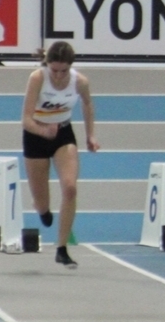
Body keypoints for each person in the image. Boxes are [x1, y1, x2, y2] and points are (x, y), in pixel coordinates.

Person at [21, 41, 99, 269]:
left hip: (63, 135)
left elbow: (87, 104)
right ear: (47, 64)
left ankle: (62, 249)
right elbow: (25, 119)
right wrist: (43, 131)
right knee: (42, 203)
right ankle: (42, 209)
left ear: (70, 67)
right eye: (54, 70)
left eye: (63, 71)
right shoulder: (38, 78)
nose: (57, 75)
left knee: (70, 187)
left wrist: (90, 135)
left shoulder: (80, 81)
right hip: (36, 135)